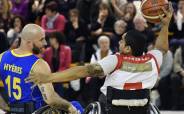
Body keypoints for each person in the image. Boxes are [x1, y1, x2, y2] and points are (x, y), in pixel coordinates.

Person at [26, 3, 173, 114]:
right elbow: (162, 48)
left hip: (110, 110)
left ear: (128, 48)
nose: (119, 42)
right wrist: (165, 25)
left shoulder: (116, 60)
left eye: (122, 40)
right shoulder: (153, 60)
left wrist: (48, 77)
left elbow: (82, 71)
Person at [0, 24, 78, 114]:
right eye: (41, 40)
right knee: (76, 105)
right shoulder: (38, 64)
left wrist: (4, 107)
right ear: (29, 42)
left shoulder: (2, 57)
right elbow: (50, 99)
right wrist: (69, 106)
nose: (45, 43)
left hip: (14, 109)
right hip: (35, 110)